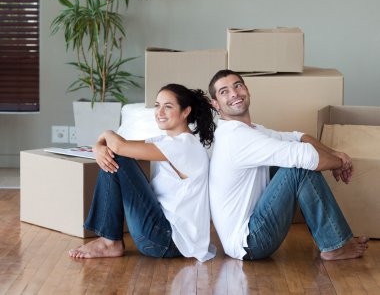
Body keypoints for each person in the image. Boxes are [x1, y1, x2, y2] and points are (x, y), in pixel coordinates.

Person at [208, 69, 369, 261]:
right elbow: (305, 156)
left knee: (295, 156)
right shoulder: (236, 137)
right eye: (224, 91)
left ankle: (334, 241)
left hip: (250, 230)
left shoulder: (249, 130)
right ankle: (336, 244)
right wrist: (339, 163)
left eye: (237, 86)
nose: (234, 94)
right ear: (216, 104)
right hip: (250, 242)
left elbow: (297, 137)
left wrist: (334, 154)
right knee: (298, 168)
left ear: (247, 90)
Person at [69, 83, 217, 262]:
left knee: (118, 157)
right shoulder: (169, 141)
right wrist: (98, 147)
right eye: (157, 105)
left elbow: (118, 146)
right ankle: (109, 241)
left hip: (165, 241)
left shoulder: (184, 146)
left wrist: (106, 134)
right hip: (164, 236)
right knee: (116, 154)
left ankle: (110, 242)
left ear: (185, 112)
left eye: (168, 107)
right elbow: (118, 144)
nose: (159, 112)